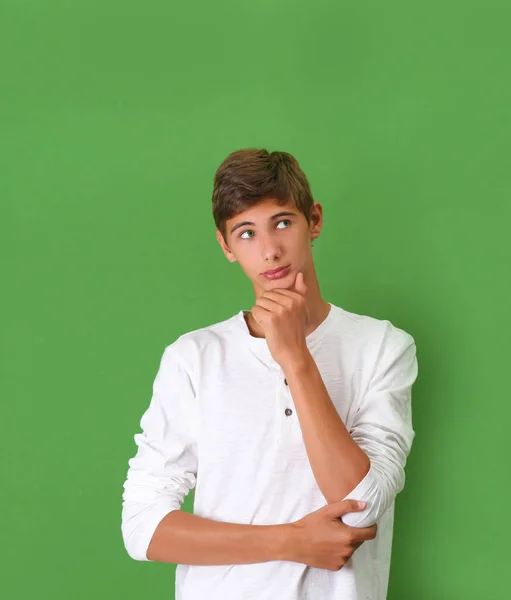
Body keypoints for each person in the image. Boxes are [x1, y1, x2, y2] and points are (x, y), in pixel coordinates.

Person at [121, 148, 419, 600]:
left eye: (282, 222)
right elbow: (143, 526)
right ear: (226, 246)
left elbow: (362, 506)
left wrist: (294, 356)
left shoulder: (383, 347)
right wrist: (292, 541)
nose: (269, 250)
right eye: (246, 233)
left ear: (313, 220)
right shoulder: (194, 357)